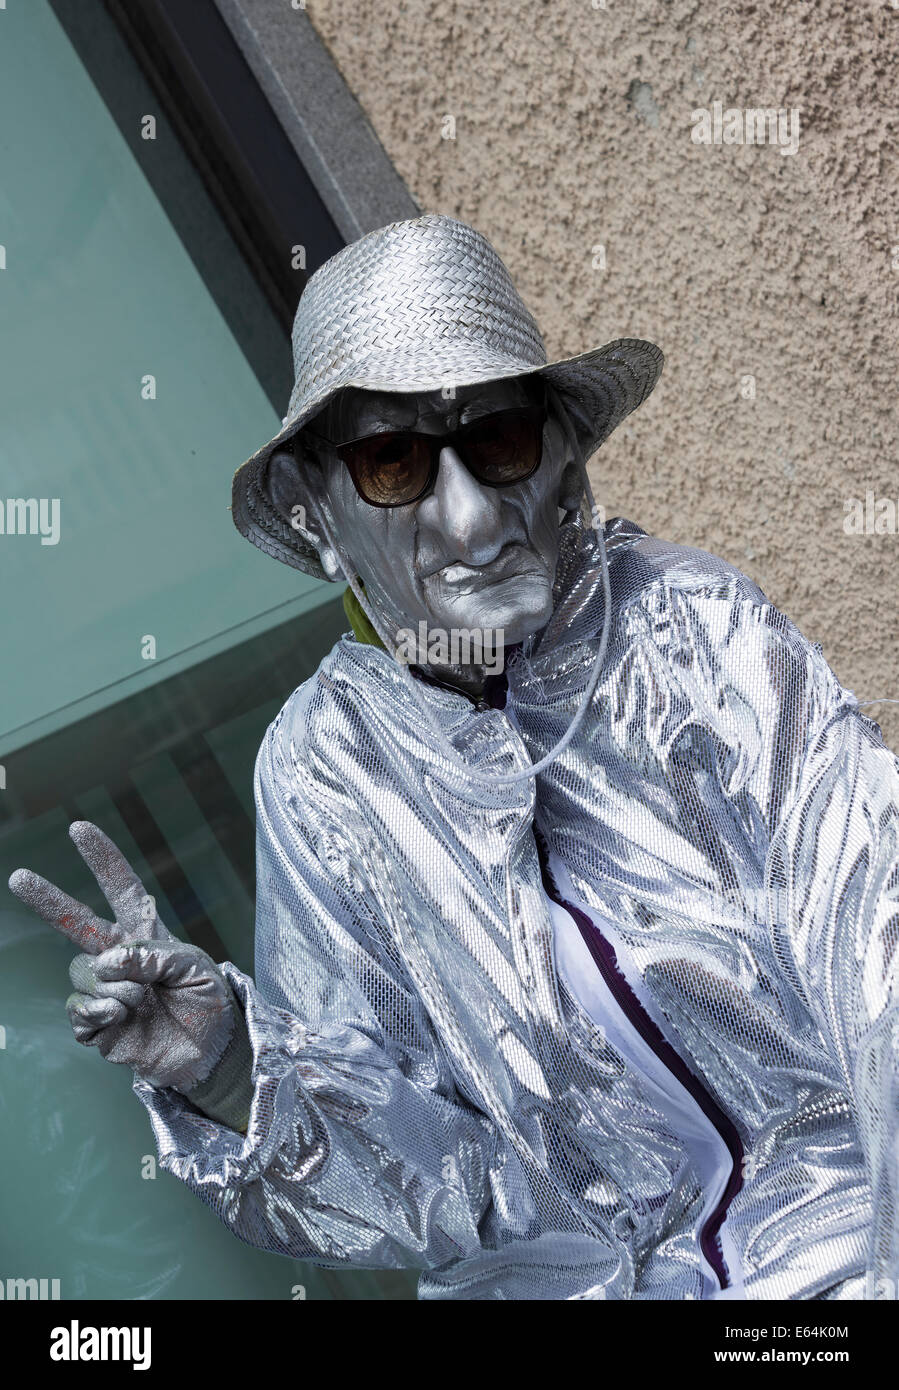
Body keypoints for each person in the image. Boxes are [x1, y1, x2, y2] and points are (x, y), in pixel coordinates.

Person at [10, 215, 899, 1300]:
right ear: (317, 509)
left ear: (560, 456)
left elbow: (876, 949)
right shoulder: (322, 772)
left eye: (498, 441)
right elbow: (441, 1193)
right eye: (393, 462)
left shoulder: (690, 629)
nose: (472, 516)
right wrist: (233, 1066)